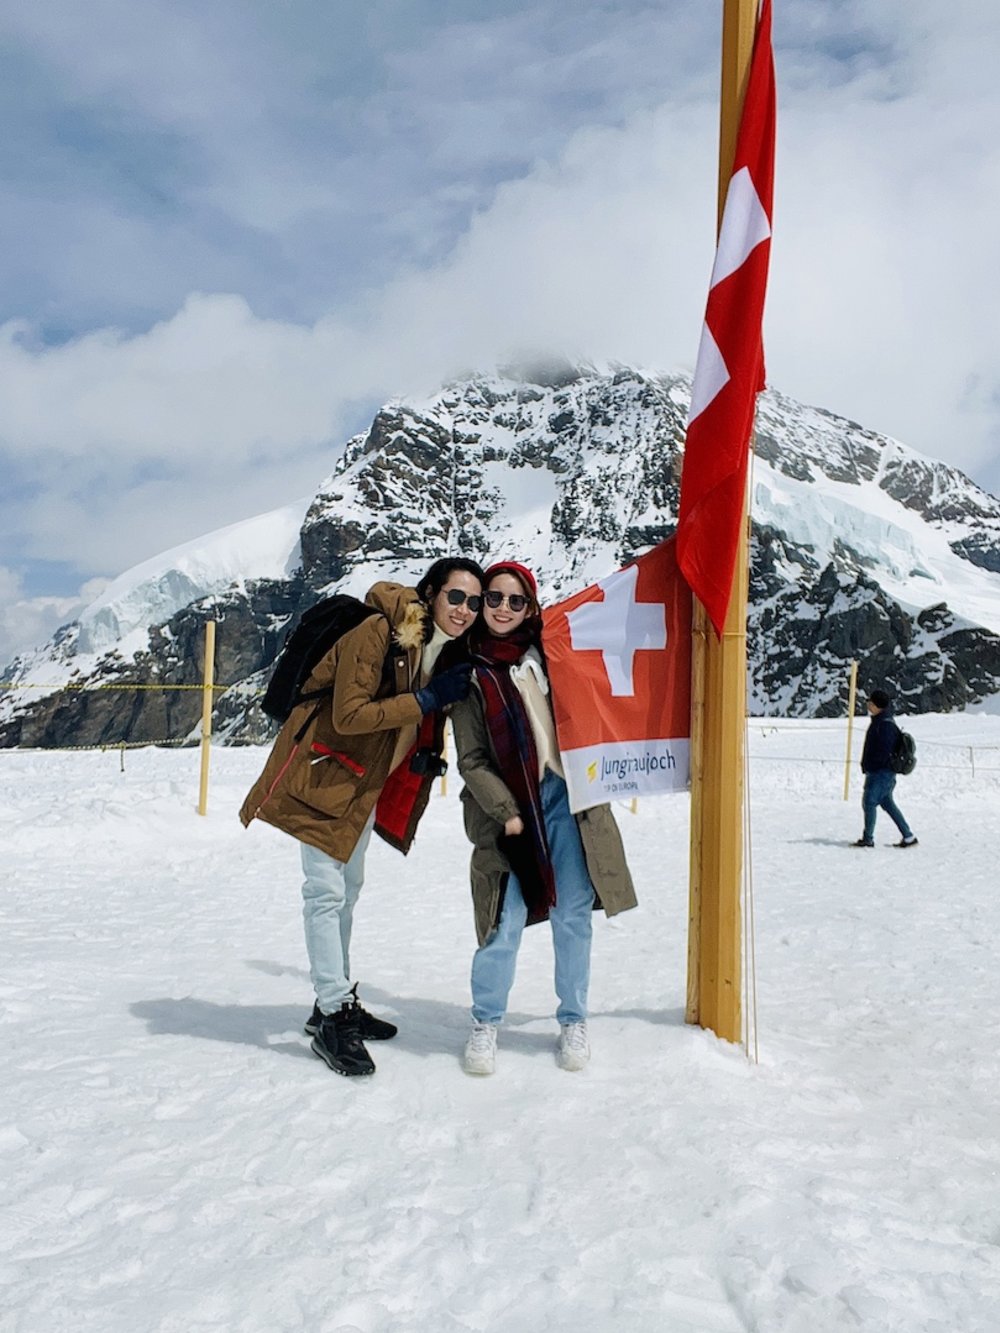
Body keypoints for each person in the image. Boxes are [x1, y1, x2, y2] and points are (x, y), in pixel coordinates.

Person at [240, 558, 484, 1076]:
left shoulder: (436, 646)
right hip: (324, 776)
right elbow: (349, 714)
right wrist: (422, 701)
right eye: (457, 597)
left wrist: (418, 745)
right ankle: (332, 1015)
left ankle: (334, 998)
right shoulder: (379, 631)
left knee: (346, 891)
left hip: (361, 784)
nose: (466, 610)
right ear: (432, 594)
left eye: (475, 602)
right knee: (325, 894)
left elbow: (400, 712)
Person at [450, 560, 637, 1076]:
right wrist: (506, 813)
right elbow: (472, 760)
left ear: (530, 607)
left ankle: (573, 1019)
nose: (503, 609)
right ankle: (486, 1021)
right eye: (493, 599)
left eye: (515, 601)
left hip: (567, 799)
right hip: (507, 809)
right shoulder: (466, 673)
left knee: (572, 914)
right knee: (502, 920)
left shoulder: (556, 654)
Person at [854, 687, 918, 849]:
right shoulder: (883, 721)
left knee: (869, 802)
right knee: (887, 803)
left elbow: (883, 750)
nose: (868, 704)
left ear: (876, 705)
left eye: (870, 702)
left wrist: (872, 765)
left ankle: (868, 838)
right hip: (883, 772)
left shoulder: (884, 725)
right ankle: (908, 836)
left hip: (880, 772)